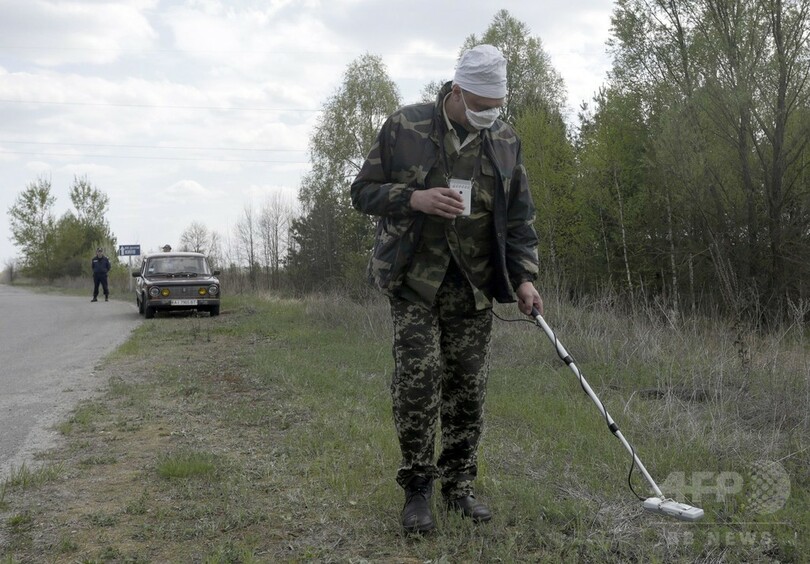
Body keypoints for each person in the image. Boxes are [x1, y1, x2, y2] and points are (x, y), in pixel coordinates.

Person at [350, 44, 543, 534]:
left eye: (495, 106)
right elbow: (362, 193)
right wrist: (412, 197)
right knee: (418, 379)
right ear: (456, 92)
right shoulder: (406, 127)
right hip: (414, 278)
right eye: (479, 106)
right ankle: (418, 489)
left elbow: (519, 218)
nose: (488, 115)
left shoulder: (504, 141)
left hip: (473, 283)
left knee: (467, 387)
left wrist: (524, 278)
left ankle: (459, 485)